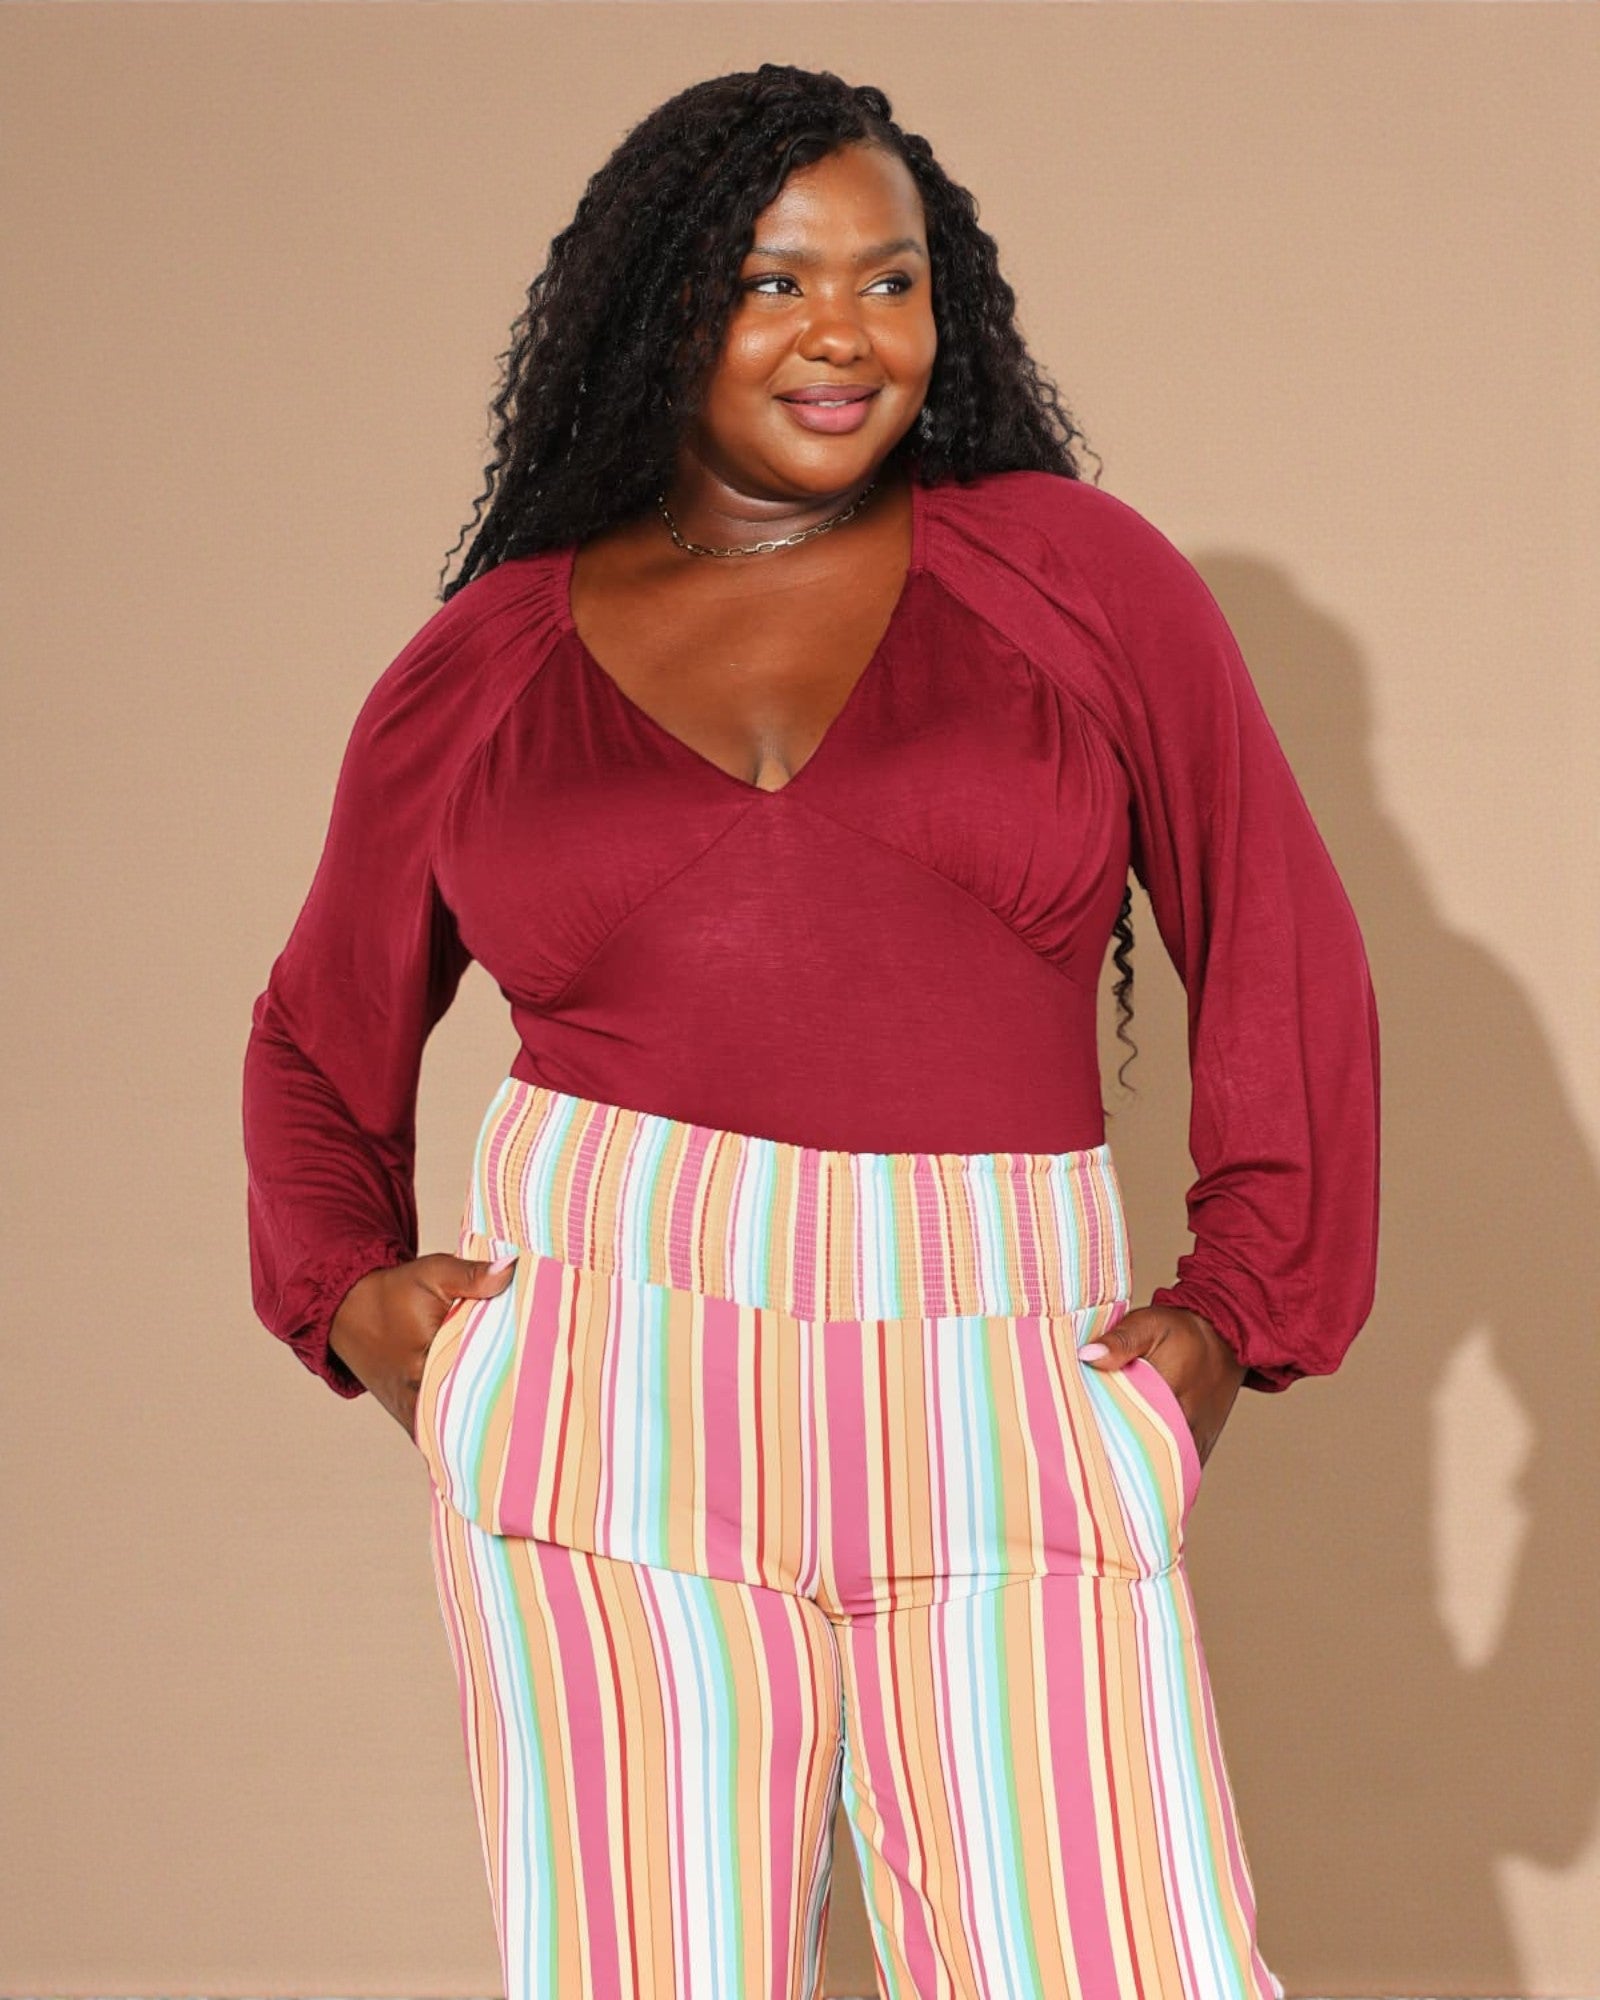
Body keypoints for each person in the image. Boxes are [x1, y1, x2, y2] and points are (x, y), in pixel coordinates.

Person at [242, 62, 1377, 2000]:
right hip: (609, 1385)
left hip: (998, 1377)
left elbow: (1277, 940)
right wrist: (348, 1291)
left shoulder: (1079, 584)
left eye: (890, 278)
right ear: (663, 303)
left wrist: (1232, 1307)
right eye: (775, 282)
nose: (843, 333)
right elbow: (311, 1034)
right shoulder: (489, 657)